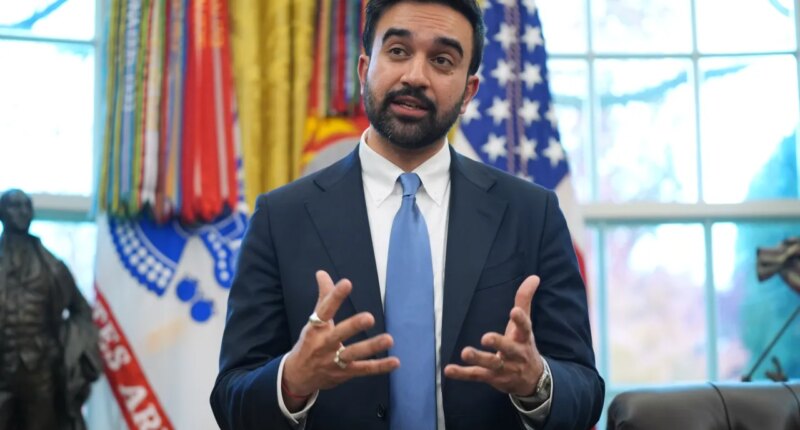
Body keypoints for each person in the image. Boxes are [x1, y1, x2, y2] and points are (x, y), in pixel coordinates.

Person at [210, 1, 604, 429]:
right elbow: (232, 398)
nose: (415, 76)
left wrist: (536, 382)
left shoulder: (533, 214)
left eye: (442, 60)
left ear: (470, 91)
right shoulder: (280, 218)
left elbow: (583, 390)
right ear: (365, 68)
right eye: (398, 51)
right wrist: (292, 380)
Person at [0, 189, 101, 430]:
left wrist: (70, 348)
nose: (22, 211)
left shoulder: (52, 267)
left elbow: (81, 311)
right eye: (15, 206)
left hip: (41, 370)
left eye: (27, 206)